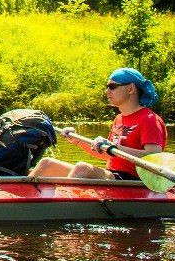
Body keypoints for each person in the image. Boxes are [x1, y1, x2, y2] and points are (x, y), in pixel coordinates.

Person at [28, 67, 167, 181]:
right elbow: (107, 155)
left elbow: (154, 156)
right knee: (47, 164)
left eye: (112, 86)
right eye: (107, 87)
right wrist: (77, 140)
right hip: (113, 175)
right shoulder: (119, 119)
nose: (107, 91)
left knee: (82, 169)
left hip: (132, 181)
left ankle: (60, 209)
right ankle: (20, 206)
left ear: (131, 88)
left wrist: (114, 146)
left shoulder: (149, 119)